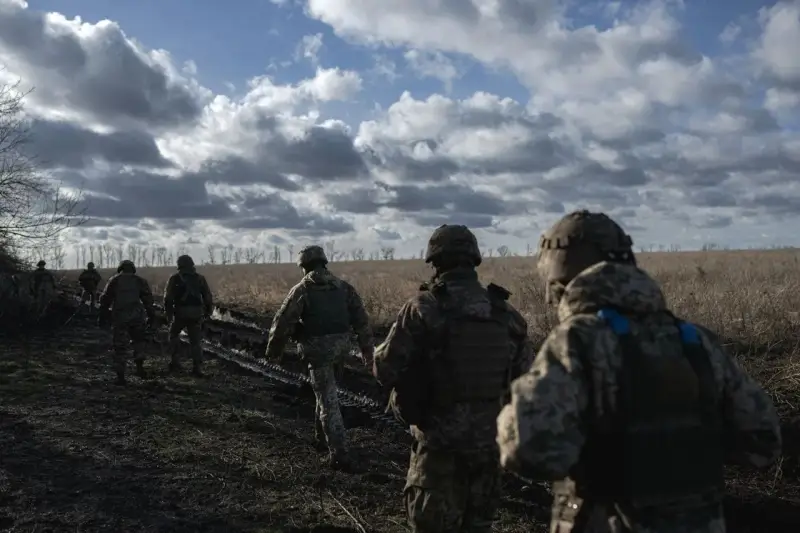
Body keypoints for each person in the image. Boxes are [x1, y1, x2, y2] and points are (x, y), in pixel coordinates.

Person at [496, 209, 783, 533]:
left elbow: (528, 448)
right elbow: (763, 441)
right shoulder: (694, 340)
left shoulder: (578, 341)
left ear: (558, 274)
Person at [373, 224, 533, 533]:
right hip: (488, 451)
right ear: (474, 260)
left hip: (437, 451)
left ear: (435, 262)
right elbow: (526, 385)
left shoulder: (423, 308)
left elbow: (385, 370)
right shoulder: (506, 314)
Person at [263, 245, 374, 470]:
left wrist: (273, 353)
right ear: (324, 263)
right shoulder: (344, 288)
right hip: (342, 349)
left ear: (303, 267)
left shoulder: (302, 289)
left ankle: (339, 454)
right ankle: (320, 438)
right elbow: (362, 321)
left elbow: (282, 323)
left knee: (328, 402)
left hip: (317, 351)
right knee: (324, 392)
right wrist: (367, 352)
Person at [98, 259, 155, 385]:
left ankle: (121, 376)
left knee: (120, 346)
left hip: (120, 317)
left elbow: (105, 299)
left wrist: (102, 315)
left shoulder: (115, 280)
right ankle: (140, 368)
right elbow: (148, 300)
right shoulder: (140, 281)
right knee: (139, 342)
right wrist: (151, 315)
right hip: (137, 317)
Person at [164, 254, 213, 377]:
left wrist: (169, 314)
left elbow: (167, 298)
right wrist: (208, 312)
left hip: (180, 312)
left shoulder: (174, 278)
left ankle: (175, 361)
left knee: (173, 334)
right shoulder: (200, 278)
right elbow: (207, 297)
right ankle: (197, 368)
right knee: (196, 341)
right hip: (196, 313)